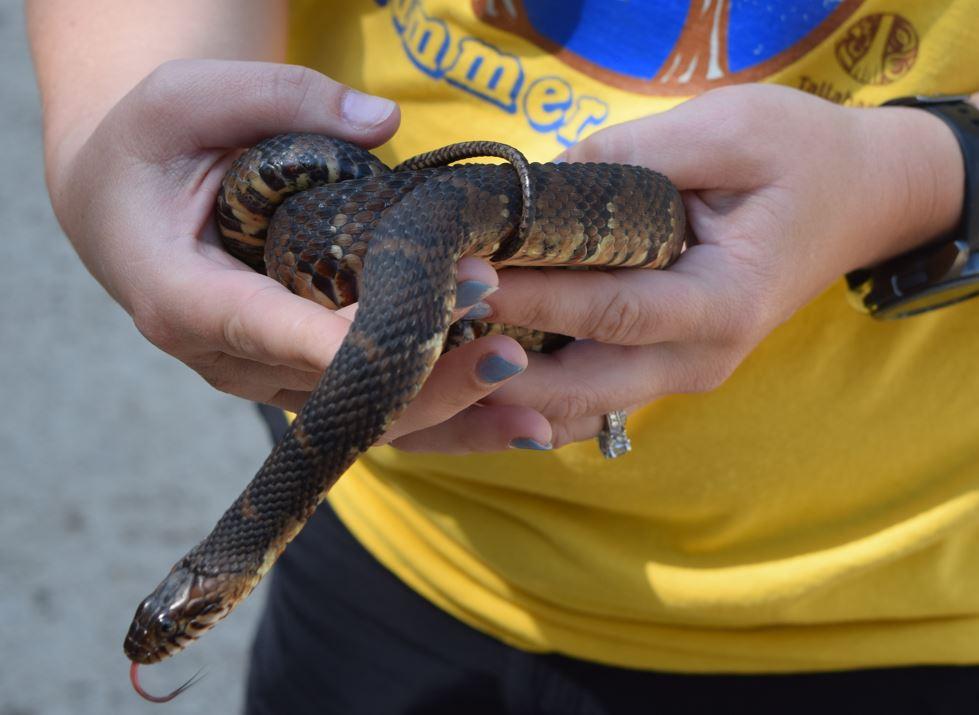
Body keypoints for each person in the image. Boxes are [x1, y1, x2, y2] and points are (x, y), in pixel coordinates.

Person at [28, 0, 979, 712]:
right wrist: (120, 135)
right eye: (184, 618)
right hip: (394, 554)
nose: (178, 627)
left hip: (890, 617)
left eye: (189, 613)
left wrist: (920, 172)